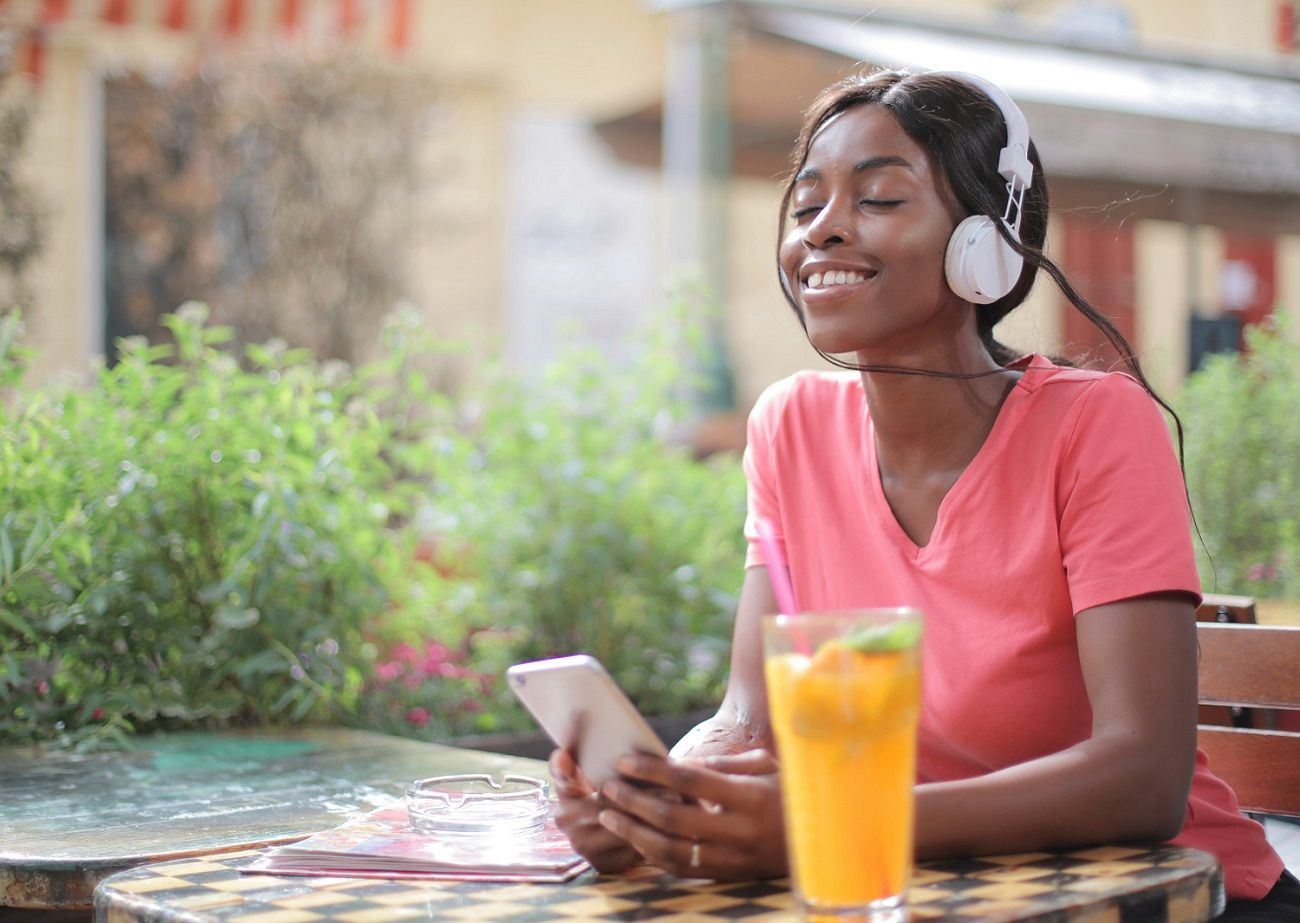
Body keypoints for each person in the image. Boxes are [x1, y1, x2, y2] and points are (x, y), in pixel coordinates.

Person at [550, 69, 1299, 920]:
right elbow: (749, 720)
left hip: (1172, 895)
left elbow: (1143, 775)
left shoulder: (1095, 425)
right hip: (944, 893)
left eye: (877, 200)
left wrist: (836, 822)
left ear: (985, 244)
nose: (823, 233)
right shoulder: (789, 427)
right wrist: (657, 798)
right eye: (805, 209)